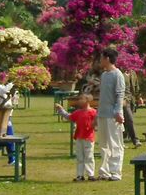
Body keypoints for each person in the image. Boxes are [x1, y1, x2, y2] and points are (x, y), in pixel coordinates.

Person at [95, 47, 126, 181]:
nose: (100, 61)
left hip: (113, 115)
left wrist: (118, 112)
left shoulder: (117, 74)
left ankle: (115, 172)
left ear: (107, 59)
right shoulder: (104, 75)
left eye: (101, 58)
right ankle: (105, 171)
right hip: (102, 114)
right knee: (103, 144)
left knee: (115, 144)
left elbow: (120, 94)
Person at [56, 93, 98, 181]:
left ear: (87, 101)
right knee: (80, 156)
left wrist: (95, 126)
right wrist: (61, 110)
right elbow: (69, 117)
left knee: (89, 156)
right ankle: (80, 175)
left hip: (89, 137)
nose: (79, 101)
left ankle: (90, 174)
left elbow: (97, 122)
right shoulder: (78, 112)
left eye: (81, 99)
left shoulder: (93, 112)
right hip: (79, 137)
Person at [122, 69, 141, 148]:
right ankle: (135, 140)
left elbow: (136, 86)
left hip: (131, 100)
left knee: (126, 121)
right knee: (130, 119)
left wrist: (139, 97)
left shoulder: (133, 73)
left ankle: (122, 140)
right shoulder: (119, 73)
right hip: (124, 100)